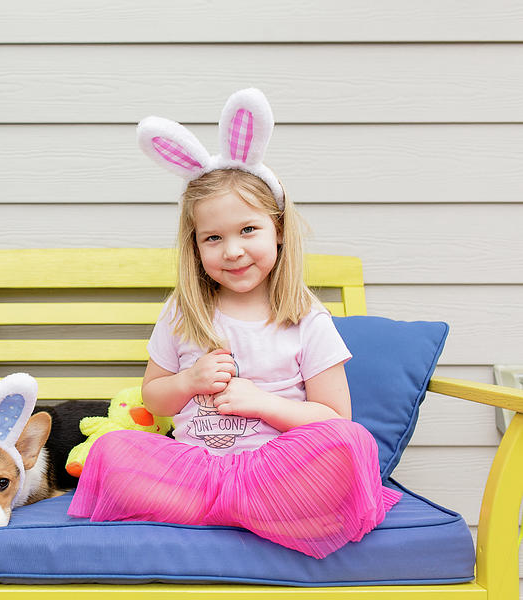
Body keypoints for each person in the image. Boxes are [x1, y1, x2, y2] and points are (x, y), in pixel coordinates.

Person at [67, 89, 401, 559]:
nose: (233, 250)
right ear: (196, 247)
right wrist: (188, 381)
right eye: (213, 237)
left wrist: (262, 404)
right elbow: (153, 396)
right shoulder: (183, 313)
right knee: (111, 451)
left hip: (274, 467)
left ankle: (234, 505)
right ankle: (253, 510)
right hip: (193, 467)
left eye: (248, 230)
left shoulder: (306, 318)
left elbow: (332, 417)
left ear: (278, 229)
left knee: (351, 443)